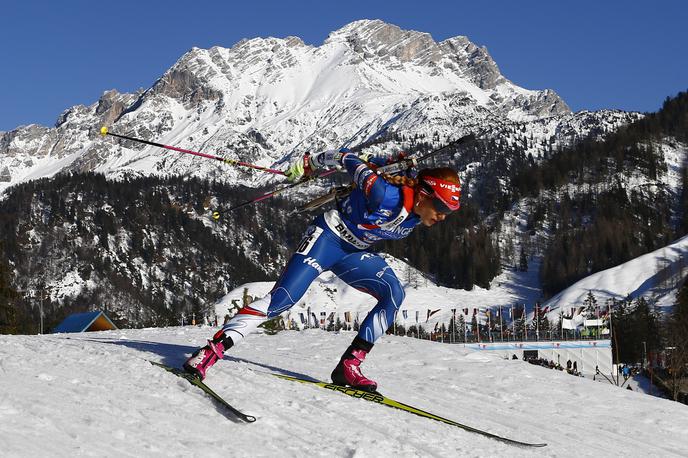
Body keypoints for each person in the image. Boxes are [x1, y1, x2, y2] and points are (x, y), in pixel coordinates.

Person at [183, 147, 462, 392]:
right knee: (283, 300)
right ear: (424, 195)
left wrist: (389, 160)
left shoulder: (416, 212)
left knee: (393, 293)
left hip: (352, 252)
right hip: (326, 238)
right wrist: (311, 163)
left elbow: (377, 164)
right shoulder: (384, 195)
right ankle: (209, 352)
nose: (441, 216)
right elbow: (346, 158)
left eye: (448, 212)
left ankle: (349, 367)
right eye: (440, 207)